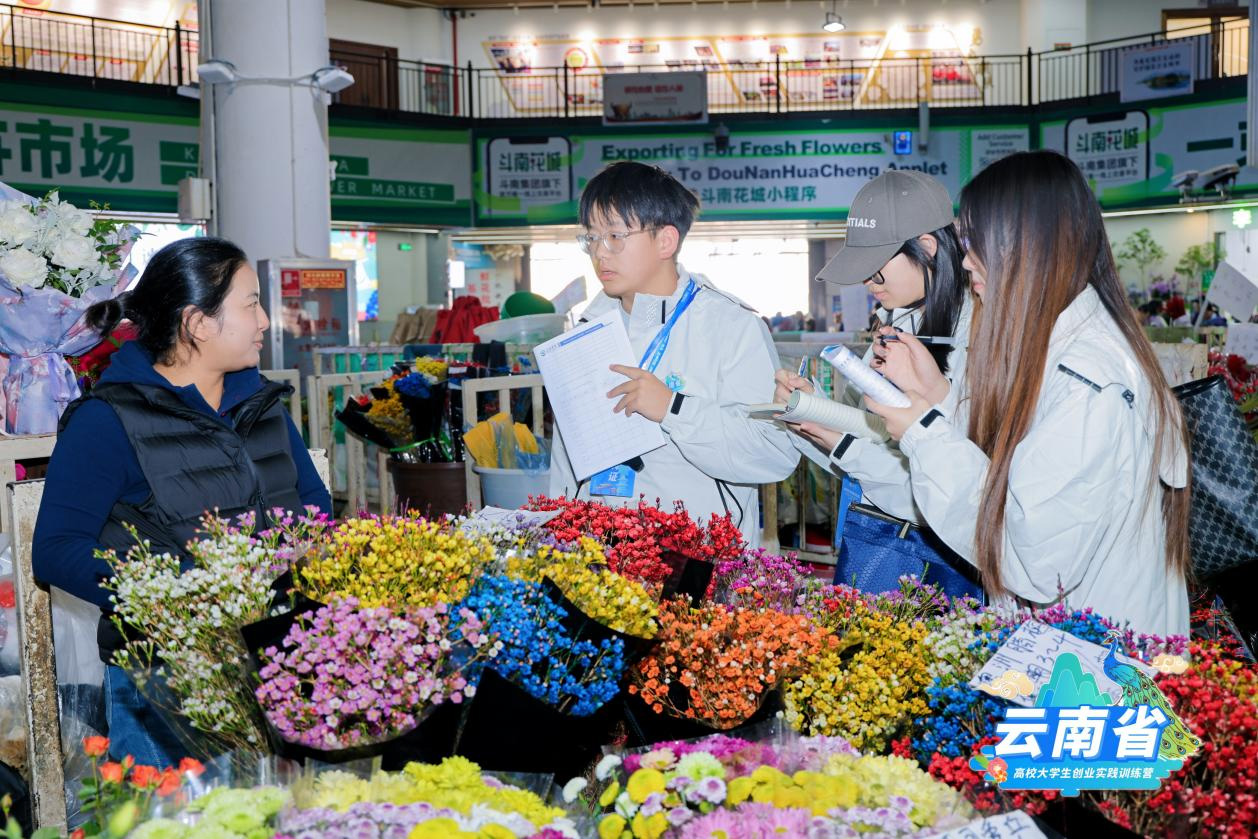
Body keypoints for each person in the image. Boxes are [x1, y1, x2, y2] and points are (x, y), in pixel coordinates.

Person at [865, 150, 1190, 637]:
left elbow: (1035, 559)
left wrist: (924, 435)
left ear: (1026, 247)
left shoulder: (1088, 382)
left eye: (974, 242)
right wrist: (936, 396)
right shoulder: (1065, 345)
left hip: (1091, 662)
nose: (965, 260)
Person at [34, 237, 333, 766]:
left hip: (280, 656)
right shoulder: (108, 420)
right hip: (164, 682)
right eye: (251, 304)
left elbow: (312, 507)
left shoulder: (260, 404)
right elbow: (56, 550)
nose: (265, 321)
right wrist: (185, 593)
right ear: (197, 323)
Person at [547, 162, 799, 544]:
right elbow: (566, 459)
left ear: (666, 241)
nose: (600, 252)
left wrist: (673, 408)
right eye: (592, 237)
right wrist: (560, 538)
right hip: (601, 551)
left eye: (615, 236)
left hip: (695, 557)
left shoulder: (730, 327)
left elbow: (773, 453)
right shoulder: (586, 330)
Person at [773, 170, 972, 532]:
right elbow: (867, 431)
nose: (867, 281)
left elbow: (955, 488)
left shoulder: (976, 338)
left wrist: (845, 447)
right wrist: (812, 406)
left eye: (876, 268)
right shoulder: (895, 324)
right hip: (877, 530)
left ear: (927, 248)